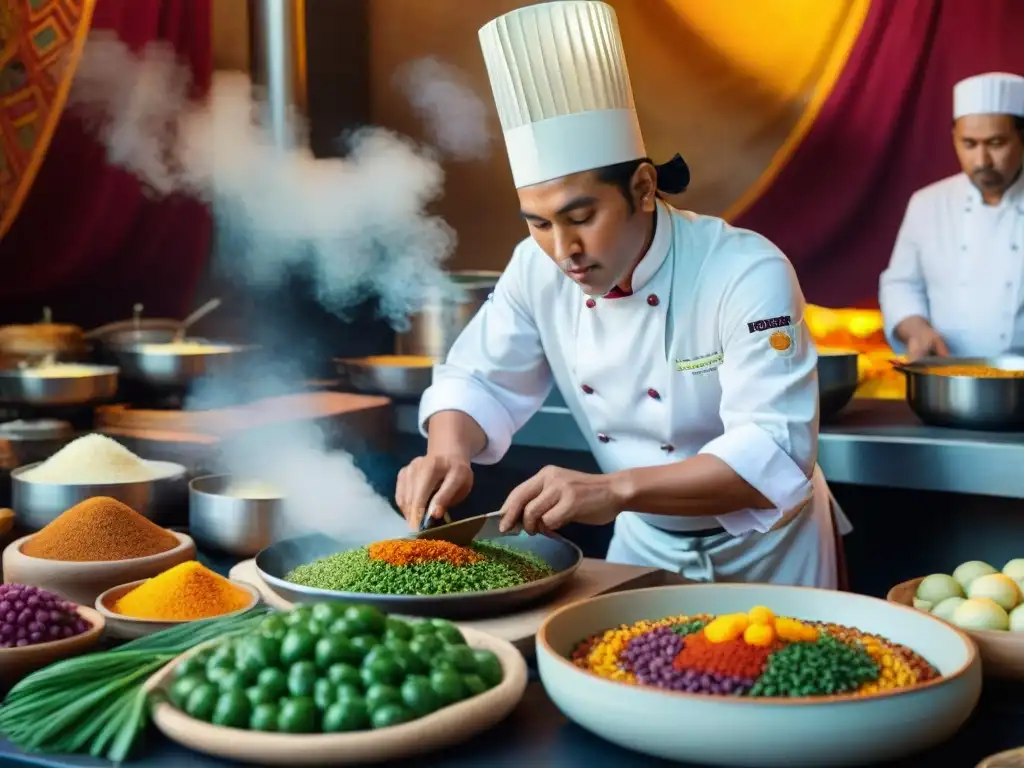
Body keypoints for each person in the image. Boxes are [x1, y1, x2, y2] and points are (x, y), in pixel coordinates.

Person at [394, 0, 850, 588]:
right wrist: (447, 449)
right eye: (537, 222)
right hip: (642, 545)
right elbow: (477, 378)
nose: (562, 250)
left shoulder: (744, 271)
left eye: (580, 216)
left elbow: (774, 452)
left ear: (641, 187)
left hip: (770, 552)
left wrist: (614, 489)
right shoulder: (536, 267)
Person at [879, 72, 1024, 360]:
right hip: (949, 375)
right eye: (969, 144)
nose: (981, 161)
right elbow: (901, 283)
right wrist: (916, 329)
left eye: (996, 143)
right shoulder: (928, 204)